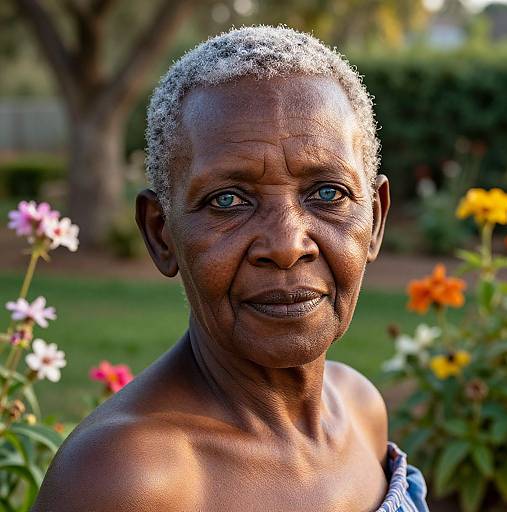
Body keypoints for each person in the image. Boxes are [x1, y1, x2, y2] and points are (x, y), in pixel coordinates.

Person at [33, 26, 428, 511]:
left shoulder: (360, 408)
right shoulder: (128, 480)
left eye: (328, 193)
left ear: (376, 218)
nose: (286, 245)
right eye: (228, 200)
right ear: (161, 234)